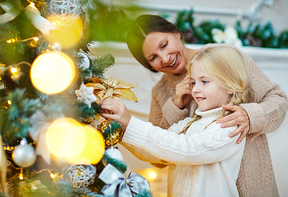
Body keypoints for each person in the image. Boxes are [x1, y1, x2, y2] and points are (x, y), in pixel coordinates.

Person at [123, 14, 288, 197]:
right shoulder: (160, 92)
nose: (164, 58)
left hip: (252, 184)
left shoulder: (223, 57)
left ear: (177, 33)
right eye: (153, 57)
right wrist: (175, 107)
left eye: (164, 45)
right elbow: (160, 151)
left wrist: (250, 115)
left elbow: (278, 98)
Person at [100, 46, 248, 196]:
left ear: (230, 86)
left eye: (204, 81)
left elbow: (187, 150)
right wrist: (121, 129)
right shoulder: (189, 124)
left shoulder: (230, 126)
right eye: (193, 82)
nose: (195, 89)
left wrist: (132, 122)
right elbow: (156, 152)